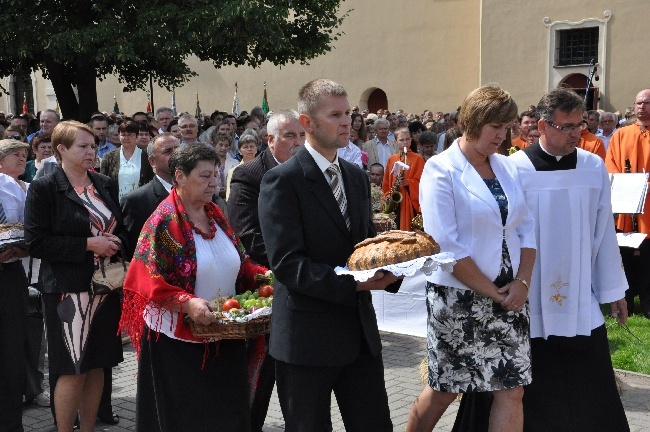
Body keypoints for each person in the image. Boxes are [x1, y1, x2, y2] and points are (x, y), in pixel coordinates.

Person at [258, 79, 402, 431]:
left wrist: (397, 262)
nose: (346, 122)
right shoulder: (283, 181)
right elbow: (288, 265)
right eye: (335, 115)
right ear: (306, 123)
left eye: (348, 113)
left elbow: (364, 247)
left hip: (358, 337)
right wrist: (355, 284)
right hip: (307, 339)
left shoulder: (354, 176)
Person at [408, 84, 536, 432]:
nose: (503, 135)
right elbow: (446, 246)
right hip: (458, 299)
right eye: (496, 126)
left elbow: (526, 228)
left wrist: (522, 283)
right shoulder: (441, 170)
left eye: (507, 126)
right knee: (444, 389)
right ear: (473, 121)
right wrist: (496, 292)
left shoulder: (509, 168)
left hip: (511, 296)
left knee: (511, 390)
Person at [119, 144, 267, 431]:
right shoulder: (161, 222)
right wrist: (186, 302)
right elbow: (143, 277)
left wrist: (265, 277)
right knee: (187, 419)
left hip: (225, 332)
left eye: (216, 175)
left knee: (228, 415)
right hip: (178, 344)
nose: (214, 182)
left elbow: (239, 260)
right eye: (205, 176)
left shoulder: (216, 214)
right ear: (180, 176)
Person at [511, 88, 629, 431]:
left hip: (579, 294)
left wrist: (613, 291)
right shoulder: (515, 168)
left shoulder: (592, 166)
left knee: (588, 380)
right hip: (529, 292)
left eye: (580, 125)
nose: (577, 133)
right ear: (543, 126)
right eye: (567, 126)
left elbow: (604, 231)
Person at [25, 120, 124, 432]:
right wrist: (88, 244)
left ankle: (90, 428)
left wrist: (116, 243)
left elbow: (116, 224)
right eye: (82, 146)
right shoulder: (45, 188)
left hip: (106, 285)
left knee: (97, 364)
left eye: (93, 146)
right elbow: (36, 242)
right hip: (69, 290)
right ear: (61, 150)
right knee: (73, 367)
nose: (91, 152)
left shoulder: (105, 183)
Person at [227, 109, 303, 432]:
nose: (299, 143)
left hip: (302, 295)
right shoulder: (249, 176)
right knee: (257, 385)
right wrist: (293, 267)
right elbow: (249, 238)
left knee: (300, 393)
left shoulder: (307, 171)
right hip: (265, 292)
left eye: (302, 135)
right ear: (269, 140)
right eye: (290, 136)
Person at [606, 88, 650, 318]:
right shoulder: (622, 134)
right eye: (638, 103)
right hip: (626, 209)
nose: (642, 107)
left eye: (647, 103)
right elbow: (610, 162)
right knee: (625, 261)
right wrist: (625, 185)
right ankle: (627, 304)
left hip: (649, 211)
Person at [0, 139, 31, 432]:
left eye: (24, 155)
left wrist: (22, 247)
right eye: (15, 155)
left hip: (12, 274)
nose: (22, 159)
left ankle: (11, 422)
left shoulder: (27, 188)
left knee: (12, 349)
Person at [121, 133, 180, 259]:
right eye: (168, 151)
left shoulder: (196, 193)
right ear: (152, 161)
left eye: (178, 149)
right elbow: (135, 251)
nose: (176, 155)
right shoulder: (136, 201)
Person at [100, 120, 154, 202]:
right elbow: (102, 184)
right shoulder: (108, 157)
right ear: (119, 136)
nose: (126, 138)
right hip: (116, 204)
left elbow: (152, 183)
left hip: (141, 204)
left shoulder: (146, 157)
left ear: (136, 136)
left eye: (130, 135)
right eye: (123, 135)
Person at [382, 128, 424, 230]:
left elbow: (423, 182)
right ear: (395, 142)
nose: (405, 142)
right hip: (395, 201)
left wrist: (409, 182)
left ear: (411, 140)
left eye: (407, 139)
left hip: (409, 201)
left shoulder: (418, 158)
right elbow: (386, 181)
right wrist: (388, 196)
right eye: (401, 140)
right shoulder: (392, 159)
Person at [225, 131, 258, 201]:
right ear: (239, 151)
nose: (249, 149)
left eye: (252, 146)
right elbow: (229, 196)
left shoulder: (263, 168)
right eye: (245, 147)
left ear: (256, 149)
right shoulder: (233, 171)